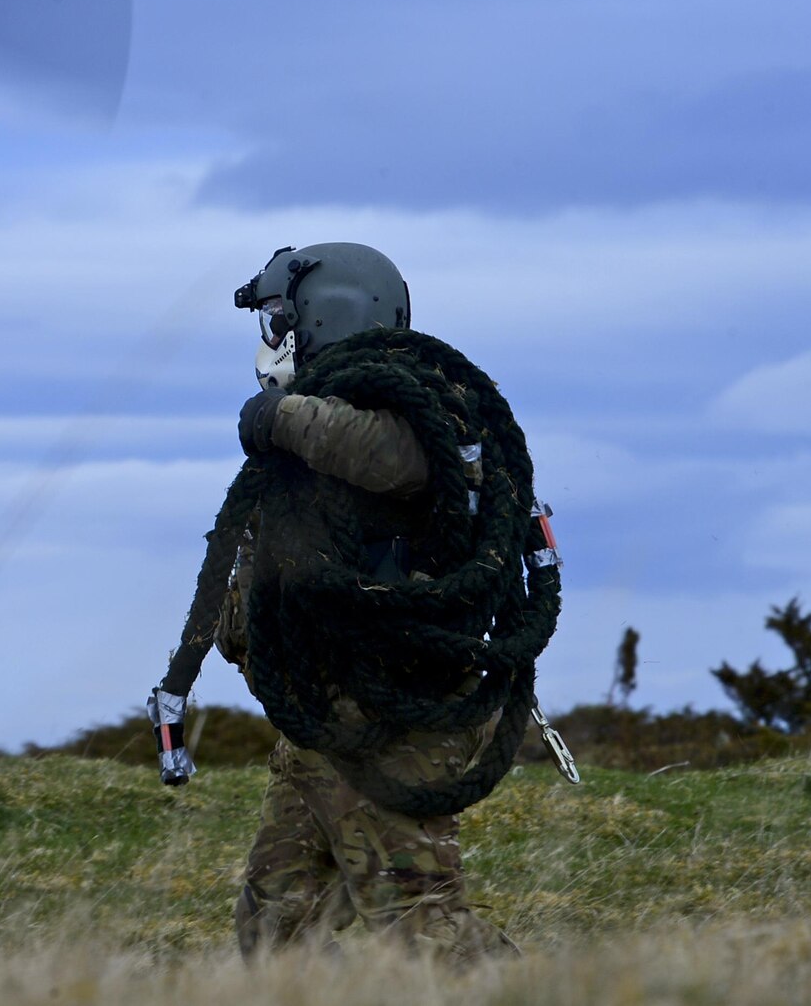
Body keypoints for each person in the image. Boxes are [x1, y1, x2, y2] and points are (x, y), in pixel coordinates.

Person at [146, 242, 562, 962]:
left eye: (277, 322)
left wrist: (281, 418)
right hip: (322, 723)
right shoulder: (316, 447)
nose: (268, 342)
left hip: (389, 724)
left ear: (320, 315)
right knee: (276, 929)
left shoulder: (418, 416)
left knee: (423, 928)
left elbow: (396, 456)